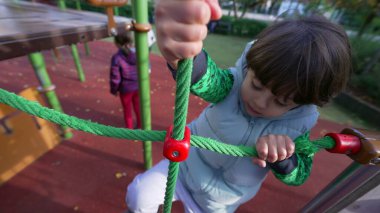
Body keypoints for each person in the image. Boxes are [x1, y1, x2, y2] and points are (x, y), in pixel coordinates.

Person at [126, 0, 352, 212]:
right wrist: (183, 55)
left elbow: (300, 174)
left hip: (220, 202)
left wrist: (283, 158)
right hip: (183, 170)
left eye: (281, 101)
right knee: (139, 194)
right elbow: (206, 80)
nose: (260, 101)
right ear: (250, 67)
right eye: (256, 84)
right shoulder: (232, 85)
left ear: (301, 104)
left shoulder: (297, 131)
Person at [110, 31, 141, 129]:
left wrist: (114, 90)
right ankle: (140, 126)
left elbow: (115, 77)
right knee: (138, 107)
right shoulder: (138, 54)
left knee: (127, 109)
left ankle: (129, 129)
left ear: (117, 43)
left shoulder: (117, 58)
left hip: (125, 89)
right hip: (138, 86)